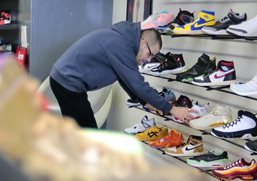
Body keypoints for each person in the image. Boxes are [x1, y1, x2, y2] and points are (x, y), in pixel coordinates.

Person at [50, 24, 195, 128]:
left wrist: (146, 102)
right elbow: (137, 83)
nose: (149, 59)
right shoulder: (120, 46)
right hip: (68, 82)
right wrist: (172, 109)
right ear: (143, 43)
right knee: (88, 132)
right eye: (150, 54)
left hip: (65, 80)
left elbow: (125, 79)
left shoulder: (122, 41)